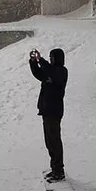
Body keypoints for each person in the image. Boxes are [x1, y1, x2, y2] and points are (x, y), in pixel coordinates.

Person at [28, 47, 67, 182]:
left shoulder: (61, 72)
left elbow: (51, 71)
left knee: (55, 142)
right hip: (46, 110)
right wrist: (33, 62)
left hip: (54, 112)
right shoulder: (51, 71)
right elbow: (39, 74)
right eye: (50, 57)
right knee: (49, 142)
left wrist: (41, 60)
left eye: (52, 57)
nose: (50, 60)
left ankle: (59, 171)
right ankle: (55, 169)